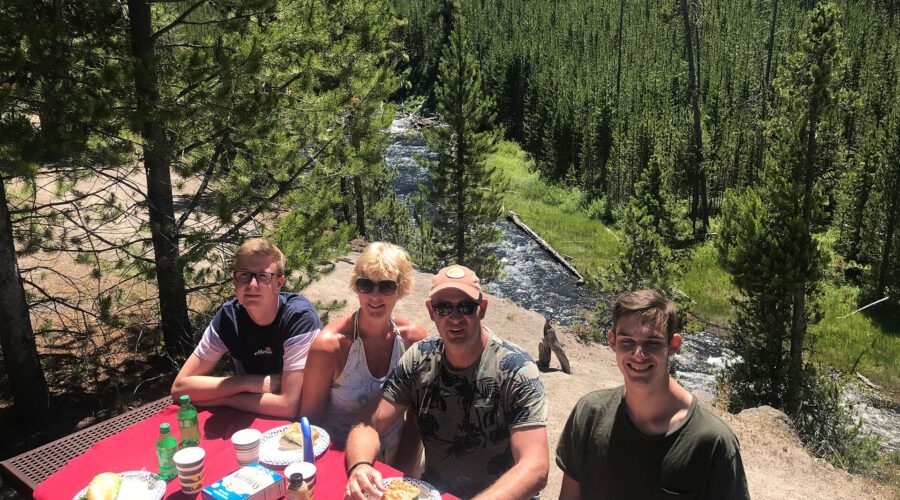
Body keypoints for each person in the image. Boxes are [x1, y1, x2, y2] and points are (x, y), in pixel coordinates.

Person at [344, 265, 549, 500]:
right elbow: (369, 425)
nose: (454, 317)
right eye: (443, 308)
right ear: (431, 311)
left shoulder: (516, 370)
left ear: (481, 309)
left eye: (465, 307)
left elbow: (535, 466)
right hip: (435, 493)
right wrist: (360, 465)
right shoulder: (419, 357)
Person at [556, 289, 750, 499]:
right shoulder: (589, 415)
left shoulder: (711, 441)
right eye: (627, 341)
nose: (639, 354)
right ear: (613, 341)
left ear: (673, 345)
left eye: (653, 343)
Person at [299, 242, 427, 468]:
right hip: (337, 459)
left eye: (386, 286)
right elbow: (310, 425)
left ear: (401, 288)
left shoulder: (413, 341)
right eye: (366, 285)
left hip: (395, 458)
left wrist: (402, 473)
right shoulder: (330, 347)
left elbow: (416, 420)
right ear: (356, 287)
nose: (375, 297)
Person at [171, 238, 322, 418]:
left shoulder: (298, 318)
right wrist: (245, 383)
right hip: (251, 413)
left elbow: (288, 406)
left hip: (303, 424)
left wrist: (225, 399)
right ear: (234, 280)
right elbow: (180, 389)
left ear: (279, 283)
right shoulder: (229, 318)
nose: (252, 285)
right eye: (243, 275)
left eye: (263, 276)